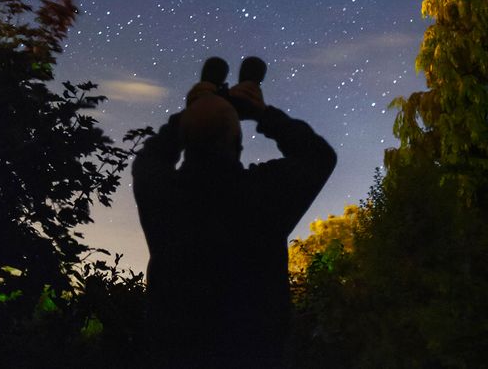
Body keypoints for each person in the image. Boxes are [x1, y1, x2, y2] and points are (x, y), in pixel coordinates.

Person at [132, 74, 337, 368]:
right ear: (238, 143)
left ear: (184, 140)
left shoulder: (161, 194)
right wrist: (262, 113)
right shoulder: (265, 194)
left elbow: (150, 158)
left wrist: (191, 112)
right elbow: (318, 156)